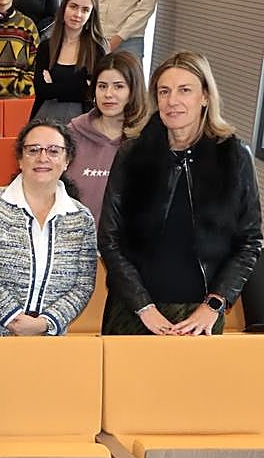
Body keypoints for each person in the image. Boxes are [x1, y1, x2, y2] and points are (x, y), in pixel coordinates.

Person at [99, 51, 262, 336]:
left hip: (201, 317)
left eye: (184, 90)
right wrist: (143, 307)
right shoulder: (132, 154)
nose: (172, 101)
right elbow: (110, 239)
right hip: (134, 312)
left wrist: (213, 305)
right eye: (164, 91)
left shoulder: (234, 156)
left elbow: (249, 241)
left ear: (205, 97)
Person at [0, 120, 98, 336]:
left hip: (46, 340)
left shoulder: (81, 218)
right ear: (20, 160)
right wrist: (13, 318)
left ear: (67, 160)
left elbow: (82, 286)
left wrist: (44, 323)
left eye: (54, 151)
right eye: (33, 150)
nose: (43, 157)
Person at [66, 51, 148, 223]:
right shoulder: (71, 134)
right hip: (75, 241)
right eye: (102, 86)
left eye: (118, 86)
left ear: (133, 90)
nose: (108, 94)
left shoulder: (147, 139)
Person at [31, 0, 106, 121]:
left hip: (82, 121)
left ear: (91, 15)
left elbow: (91, 93)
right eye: (73, 7)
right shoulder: (46, 47)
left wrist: (53, 87)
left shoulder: (97, 52)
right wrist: (79, 84)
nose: (77, 14)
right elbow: (41, 90)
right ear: (64, 7)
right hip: (44, 117)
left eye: (85, 10)